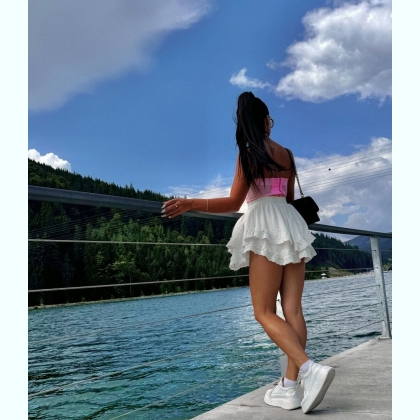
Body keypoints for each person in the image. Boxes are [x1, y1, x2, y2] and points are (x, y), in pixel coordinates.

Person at [162, 91, 335, 414]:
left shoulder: (248, 154)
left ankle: (310, 369)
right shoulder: (287, 153)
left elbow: (233, 202)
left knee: (263, 311)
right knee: (293, 310)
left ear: (244, 123)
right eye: (269, 118)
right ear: (264, 120)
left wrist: (189, 203)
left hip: (264, 225)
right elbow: (287, 197)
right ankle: (290, 387)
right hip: (291, 223)